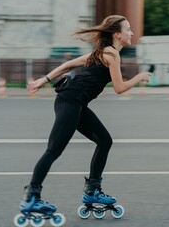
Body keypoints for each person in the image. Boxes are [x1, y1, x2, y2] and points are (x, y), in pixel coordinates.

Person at [19, 15, 151, 215]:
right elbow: (119, 88)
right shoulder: (112, 55)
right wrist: (139, 77)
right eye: (128, 29)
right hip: (71, 101)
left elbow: (68, 64)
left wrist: (43, 80)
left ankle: (93, 191)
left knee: (105, 141)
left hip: (75, 103)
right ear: (117, 34)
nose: (131, 33)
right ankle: (32, 198)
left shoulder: (102, 53)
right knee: (53, 150)